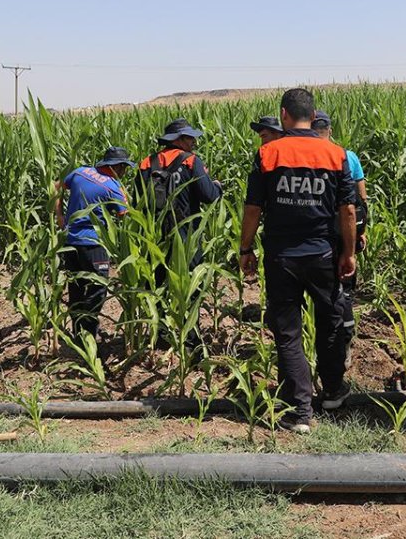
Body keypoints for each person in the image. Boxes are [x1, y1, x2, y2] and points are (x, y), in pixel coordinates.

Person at [238, 88, 357, 434]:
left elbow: (252, 209)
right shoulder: (335, 155)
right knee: (330, 321)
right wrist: (348, 253)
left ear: (284, 115)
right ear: (312, 114)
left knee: (288, 333)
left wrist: (245, 248)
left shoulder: (268, 153)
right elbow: (347, 210)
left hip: (282, 257)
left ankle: (300, 411)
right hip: (323, 254)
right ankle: (333, 391)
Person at [137, 118, 223, 351]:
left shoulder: (146, 163)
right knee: (192, 288)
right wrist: (218, 186)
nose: (194, 142)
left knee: (158, 284)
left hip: (155, 236)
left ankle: (161, 335)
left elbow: (139, 200)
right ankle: (191, 339)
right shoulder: (191, 161)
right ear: (178, 140)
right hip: (186, 234)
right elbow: (209, 195)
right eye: (190, 138)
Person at [56, 146, 133, 337]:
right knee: (97, 289)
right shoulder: (112, 187)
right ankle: (88, 333)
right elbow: (126, 216)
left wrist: (59, 216)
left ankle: (77, 330)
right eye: (124, 167)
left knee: (76, 286)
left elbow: (56, 186)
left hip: (71, 240)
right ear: (117, 167)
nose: (125, 172)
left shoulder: (80, 172)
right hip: (94, 244)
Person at [312, 110, 367, 368]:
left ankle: (328, 344)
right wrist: (362, 230)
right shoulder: (349, 156)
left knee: (325, 290)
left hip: (320, 233)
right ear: (330, 130)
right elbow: (360, 199)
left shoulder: (310, 155)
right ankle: (344, 341)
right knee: (344, 288)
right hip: (346, 228)